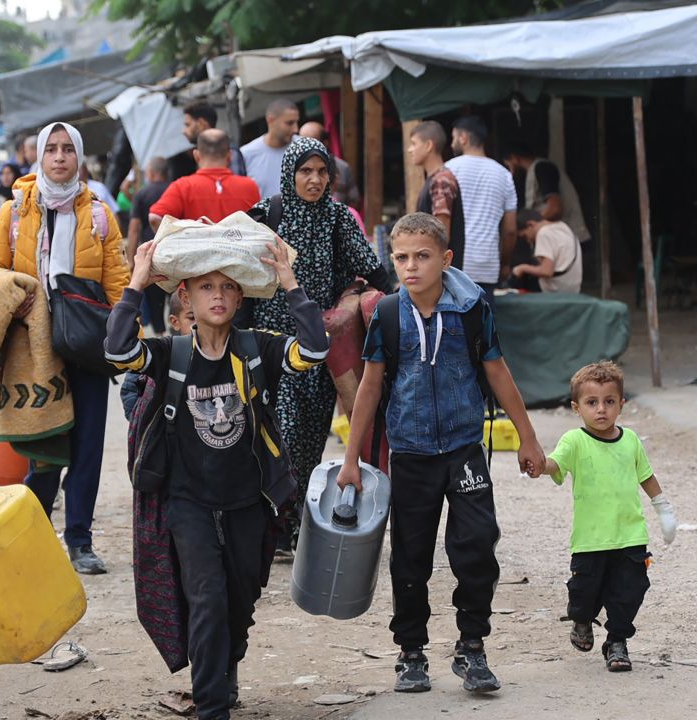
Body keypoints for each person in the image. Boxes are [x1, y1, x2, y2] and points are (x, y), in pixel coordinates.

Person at [107, 238, 328, 720]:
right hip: (187, 503)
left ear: (241, 297)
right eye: (206, 286)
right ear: (186, 297)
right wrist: (136, 282)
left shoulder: (258, 348)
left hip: (250, 499)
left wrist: (290, 282)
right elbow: (119, 351)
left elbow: (313, 350)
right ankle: (211, 706)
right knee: (205, 597)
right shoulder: (171, 354)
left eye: (228, 286)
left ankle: (226, 666)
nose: (218, 295)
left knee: (240, 598)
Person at [338, 212, 544, 696]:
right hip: (409, 452)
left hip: (463, 447)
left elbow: (497, 372)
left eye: (423, 257)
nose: (411, 267)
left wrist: (528, 437)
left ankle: (472, 647)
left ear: (445, 259)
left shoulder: (472, 308)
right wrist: (351, 459)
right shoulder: (387, 314)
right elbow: (369, 388)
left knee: (476, 546)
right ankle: (411, 653)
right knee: (410, 557)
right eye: (402, 257)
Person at [0, 121, 130, 575]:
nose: (60, 157)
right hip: (33, 344)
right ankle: (35, 530)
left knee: (87, 445)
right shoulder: (15, 211)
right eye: (52, 149)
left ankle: (79, 541)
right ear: (39, 157)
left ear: (79, 158)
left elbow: (118, 284)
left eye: (68, 149)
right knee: (44, 441)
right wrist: (16, 290)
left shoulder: (101, 215)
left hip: (86, 343)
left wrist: (126, 339)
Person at [249, 137, 393, 548]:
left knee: (309, 437)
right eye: (305, 171)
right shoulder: (266, 214)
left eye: (321, 172)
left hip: (314, 346)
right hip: (269, 345)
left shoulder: (337, 218)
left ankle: (291, 525)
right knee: (277, 432)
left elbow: (371, 269)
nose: (314, 180)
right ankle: (269, 522)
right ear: (289, 173)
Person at [537, 361, 677, 672]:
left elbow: (647, 477)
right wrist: (539, 463)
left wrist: (664, 510)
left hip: (630, 535)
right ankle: (582, 618)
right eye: (592, 402)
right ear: (577, 407)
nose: (601, 410)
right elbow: (555, 464)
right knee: (585, 593)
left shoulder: (631, 441)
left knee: (629, 591)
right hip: (590, 540)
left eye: (609, 401)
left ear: (621, 404)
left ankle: (617, 642)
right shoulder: (575, 441)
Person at [446, 116, 517, 302]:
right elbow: (510, 231)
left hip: (453, 266)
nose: (452, 143)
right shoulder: (503, 174)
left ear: (463, 138)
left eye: (454, 138)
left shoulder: (448, 171)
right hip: (488, 267)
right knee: (484, 328)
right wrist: (505, 264)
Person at [148, 129, 259, 230]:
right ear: (230, 156)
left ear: (196, 155)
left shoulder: (182, 186)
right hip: (239, 251)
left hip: (193, 251)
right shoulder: (250, 186)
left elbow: (155, 218)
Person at [118, 289, 193, 419]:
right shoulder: (163, 352)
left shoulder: (222, 353)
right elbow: (130, 388)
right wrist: (142, 423)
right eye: (192, 318)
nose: (199, 324)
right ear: (175, 322)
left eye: (203, 317)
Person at [502, 142, 591, 249]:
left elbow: (555, 209)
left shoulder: (542, 168)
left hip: (568, 240)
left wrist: (531, 226)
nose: (510, 173)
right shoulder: (534, 172)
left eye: (509, 166)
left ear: (515, 158)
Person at [407, 121, 466, 269]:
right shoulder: (435, 178)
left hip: (440, 274)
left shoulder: (442, 180)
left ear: (428, 145)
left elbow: (441, 233)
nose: (409, 149)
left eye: (414, 144)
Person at [127, 157, 171, 333]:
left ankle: (161, 335)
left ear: (151, 173)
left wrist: (131, 260)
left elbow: (134, 229)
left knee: (155, 300)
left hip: (151, 255)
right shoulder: (175, 189)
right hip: (176, 251)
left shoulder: (142, 194)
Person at [512, 208, 583, 293]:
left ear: (531, 224)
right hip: (573, 288)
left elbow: (546, 271)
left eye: (525, 236)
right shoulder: (563, 226)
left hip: (555, 290)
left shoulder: (543, 233)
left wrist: (522, 268)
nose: (527, 240)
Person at [241, 98, 299, 200]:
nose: (295, 129)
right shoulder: (246, 154)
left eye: (296, 122)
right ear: (271, 120)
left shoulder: (304, 147)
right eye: (289, 123)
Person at [298, 121, 360, 209]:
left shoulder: (342, 168)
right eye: (301, 142)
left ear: (325, 143)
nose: (305, 147)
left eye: (311, 143)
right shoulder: (292, 167)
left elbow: (354, 201)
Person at [182, 100, 247, 176]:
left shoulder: (228, 150)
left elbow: (236, 185)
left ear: (201, 123)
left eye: (188, 125)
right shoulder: (201, 152)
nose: (183, 131)